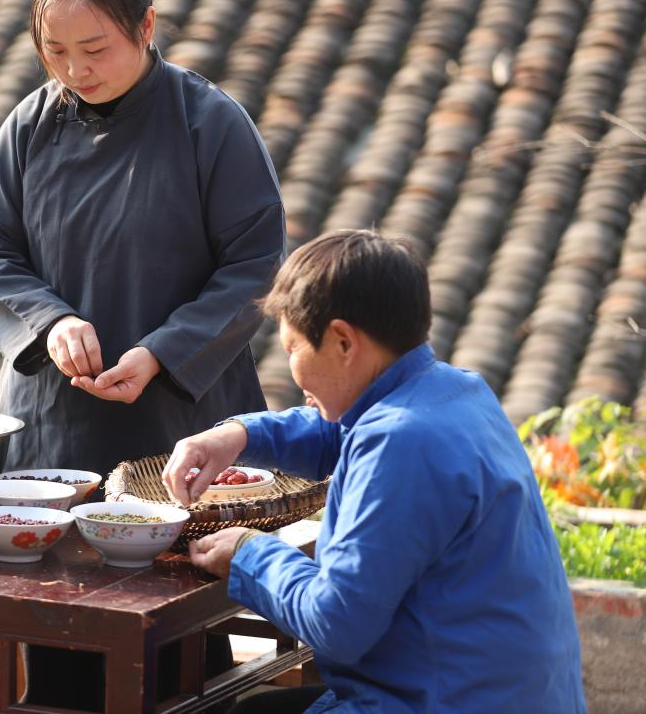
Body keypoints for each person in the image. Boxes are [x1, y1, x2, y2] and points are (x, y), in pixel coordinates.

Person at [0, 0, 285, 710]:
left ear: (146, 26)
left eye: (95, 48)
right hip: (55, 431)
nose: (75, 70)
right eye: (55, 51)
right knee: (61, 650)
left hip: (178, 435)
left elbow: (255, 263)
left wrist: (164, 351)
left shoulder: (210, 123)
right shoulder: (29, 127)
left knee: (181, 660)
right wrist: (48, 321)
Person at [162, 230, 587, 713]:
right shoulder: (456, 392)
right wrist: (239, 435)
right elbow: (341, 430)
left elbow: (335, 622)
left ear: (343, 341)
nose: (291, 371)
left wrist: (249, 552)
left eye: (294, 348)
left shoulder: (399, 443)